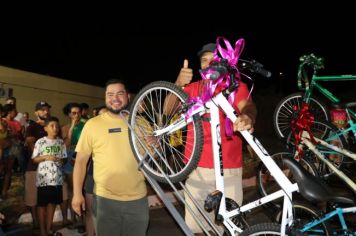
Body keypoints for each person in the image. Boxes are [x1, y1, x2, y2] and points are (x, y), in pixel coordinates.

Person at [173, 43, 256, 235]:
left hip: (229, 168)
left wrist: (247, 118)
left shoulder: (235, 87)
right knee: (197, 227)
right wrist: (177, 84)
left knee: (228, 227)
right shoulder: (193, 88)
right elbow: (168, 111)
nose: (209, 63)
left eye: (214, 59)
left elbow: (248, 106)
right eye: (204, 60)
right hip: (196, 169)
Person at [72, 79, 149, 236]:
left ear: (128, 96)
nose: (115, 98)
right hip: (104, 200)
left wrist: (157, 146)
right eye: (110, 94)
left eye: (120, 94)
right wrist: (77, 194)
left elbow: (152, 159)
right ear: (105, 98)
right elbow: (80, 162)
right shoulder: (92, 125)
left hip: (138, 200)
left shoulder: (141, 123)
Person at [32, 116, 67, 236]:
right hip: (44, 180)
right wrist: (46, 157)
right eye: (52, 126)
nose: (55, 128)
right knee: (42, 205)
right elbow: (35, 159)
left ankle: (48, 228)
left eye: (57, 126)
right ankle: (42, 231)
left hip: (57, 179)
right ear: (45, 128)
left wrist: (62, 161)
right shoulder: (40, 141)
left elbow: (64, 158)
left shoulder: (61, 142)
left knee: (53, 204)